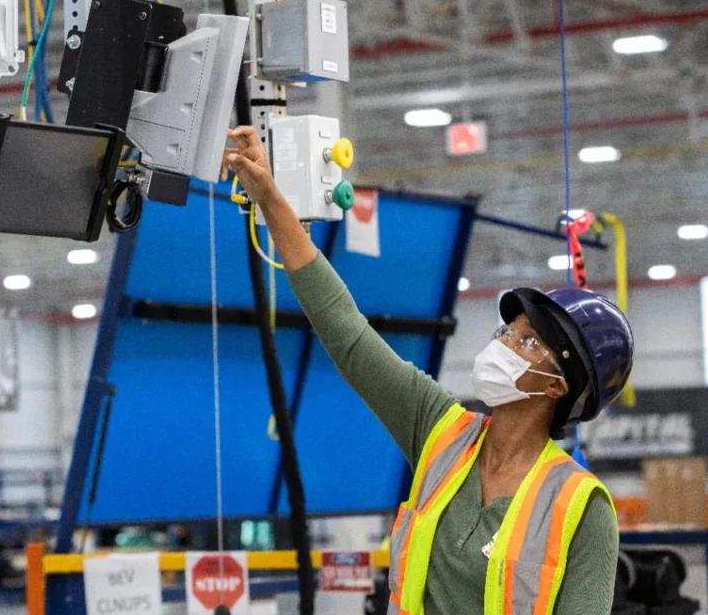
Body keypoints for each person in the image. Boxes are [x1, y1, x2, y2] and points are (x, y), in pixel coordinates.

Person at [222, 126, 634, 615]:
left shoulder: (581, 509)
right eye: (506, 332)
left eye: (526, 341)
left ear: (557, 385)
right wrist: (271, 198)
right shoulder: (441, 431)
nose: (502, 344)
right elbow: (346, 332)